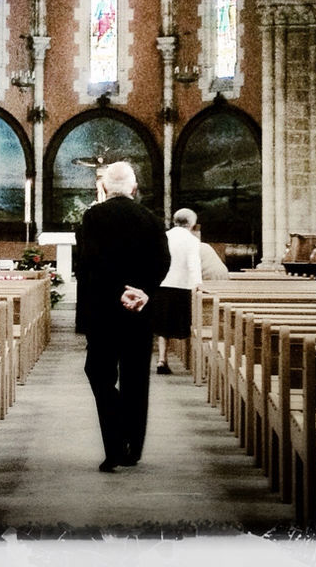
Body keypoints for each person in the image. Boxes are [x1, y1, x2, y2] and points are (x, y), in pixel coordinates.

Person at [74, 160, 170, 472]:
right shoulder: (152, 219)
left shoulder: (93, 216)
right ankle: (133, 449)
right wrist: (143, 291)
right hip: (139, 311)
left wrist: (117, 291)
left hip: (103, 310)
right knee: (136, 378)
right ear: (133, 187)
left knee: (99, 373)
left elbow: (90, 262)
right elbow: (162, 260)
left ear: (103, 187)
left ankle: (114, 445)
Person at [154, 208, 203, 373]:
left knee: (163, 325)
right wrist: (198, 283)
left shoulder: (165, 237)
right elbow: (193, 263)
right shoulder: (191, 240)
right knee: (186, 324)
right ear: (192, 223)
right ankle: (190, 362)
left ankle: (162, 359)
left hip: (162, 285)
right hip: (182, 286)